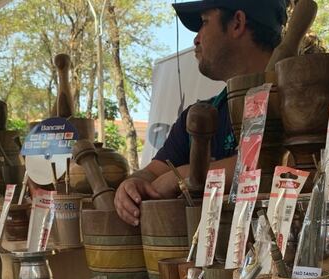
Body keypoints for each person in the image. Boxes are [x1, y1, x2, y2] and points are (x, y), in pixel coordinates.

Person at [115, 0, 286, 226]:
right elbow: (153, 173)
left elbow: (275, 164)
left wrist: (185, 177)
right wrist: (131, 185)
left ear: (237, 23)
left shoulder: (295, 102)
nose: (196, 39)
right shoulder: (196, 117)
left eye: (204, 23)